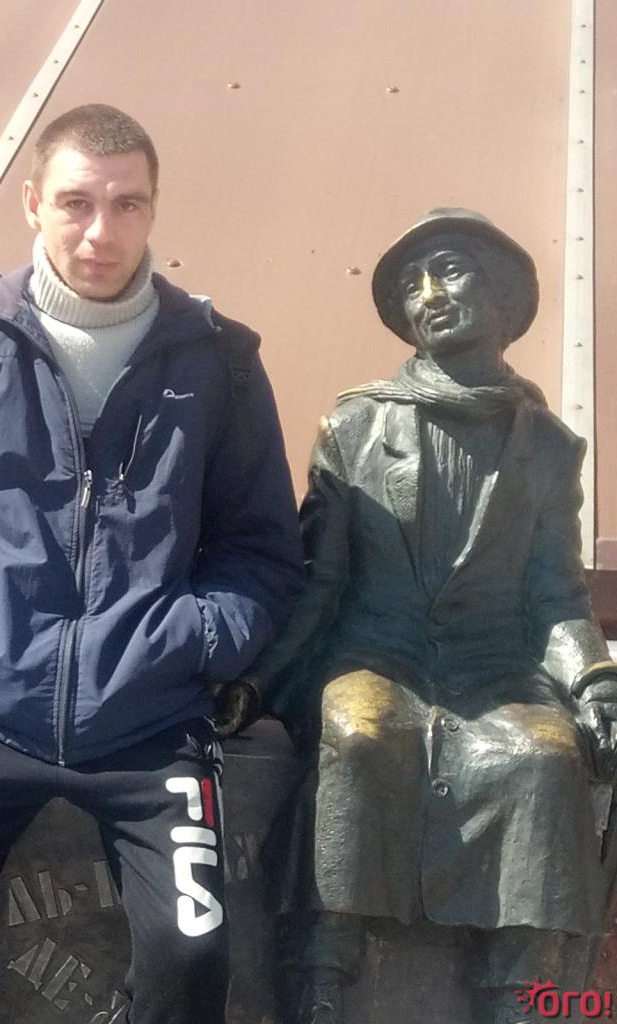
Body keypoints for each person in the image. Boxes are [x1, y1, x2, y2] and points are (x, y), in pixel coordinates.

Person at [0, 103, 303, 1024]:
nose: (102, 232)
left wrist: (194, 641)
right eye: (76, 203)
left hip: (151, 718)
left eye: (127, 204)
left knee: (192, 958)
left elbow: (260, 546)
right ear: (32, 203)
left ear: (154, 208)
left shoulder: (218, 360)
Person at [238, 209, 617, 1024]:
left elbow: (554, 593)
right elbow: (319, 579)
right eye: (412, 285)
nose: (429, 296)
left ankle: (522, 996)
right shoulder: (356, 424)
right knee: (360, 733)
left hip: (496, 669)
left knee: (545, 757)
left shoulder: (550, 448)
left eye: (449, 271)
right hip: (378, 652)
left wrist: (593, 680)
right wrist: (259, 681)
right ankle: (318, 979)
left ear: (504, 293)